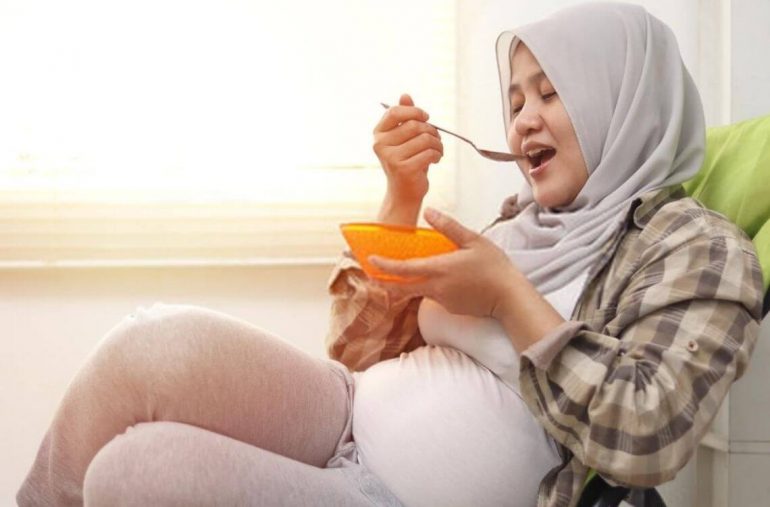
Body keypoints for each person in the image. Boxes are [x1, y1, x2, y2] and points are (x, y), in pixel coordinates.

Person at [17, 2, 764, 507]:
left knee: (130, 473)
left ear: (624, 99)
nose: (525, 117)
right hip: (346, 411)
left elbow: (648, 431)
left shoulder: (694, 249)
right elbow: (354, 346)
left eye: (551, 93)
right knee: (150, 343)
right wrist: (402, 199)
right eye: (515, 100)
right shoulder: (522, 224)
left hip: (395, 492)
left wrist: (507, 296)